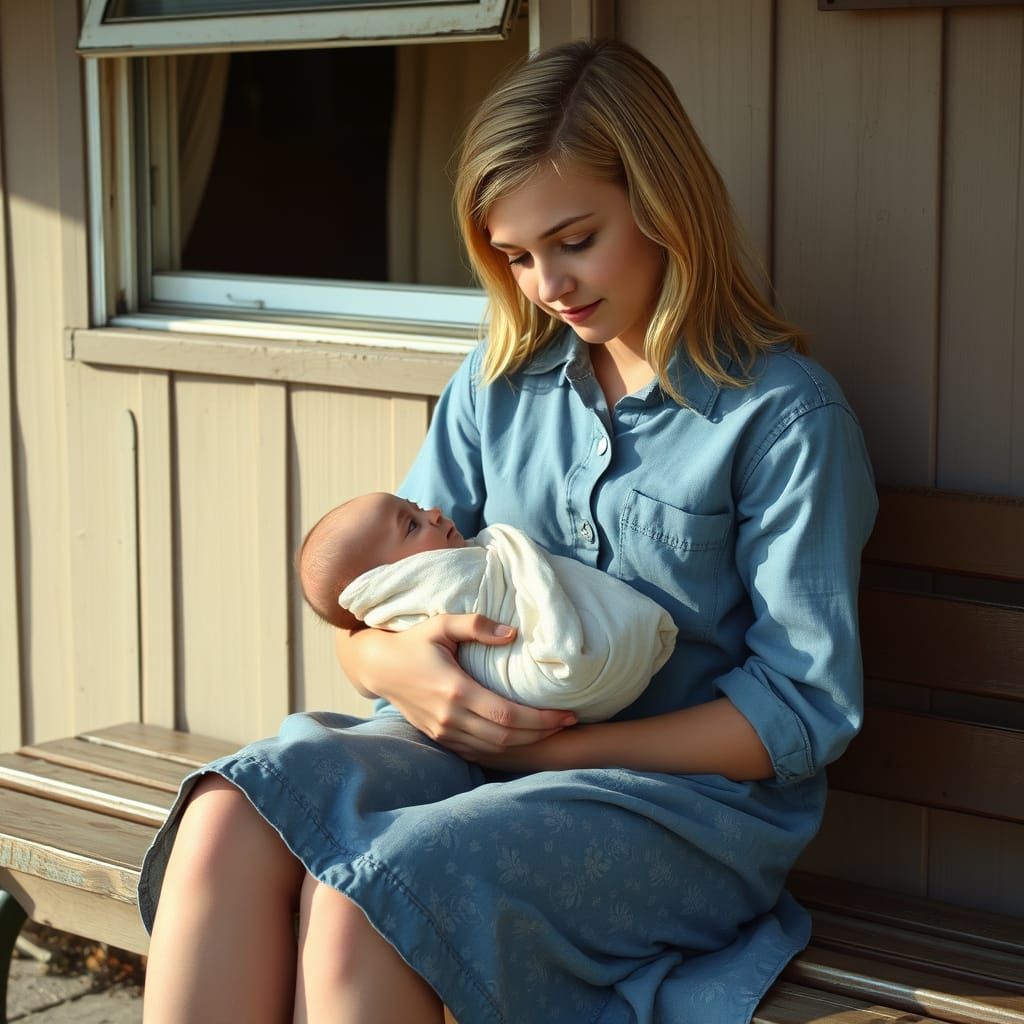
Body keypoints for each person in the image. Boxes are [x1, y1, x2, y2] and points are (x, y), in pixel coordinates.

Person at [139, 38, 877, 1024]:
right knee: (229, 815)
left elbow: (801, 710)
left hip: (684, 807)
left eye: (575, 240)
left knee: (373, 900)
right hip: (471, 750)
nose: (547, 285)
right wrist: (387, 666)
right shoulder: (497, 385)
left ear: (665, 207)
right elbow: (376, 606)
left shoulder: (782, 419)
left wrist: (545, 755)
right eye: (517, 257)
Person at [297, 491, 677, 721]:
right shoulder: (427, 588)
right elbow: (353, 630)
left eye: (417, 508)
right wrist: (372, 660)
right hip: (441, 717)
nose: (433, 512)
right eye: (412, 525)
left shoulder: (431, 556)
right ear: (385, 583)